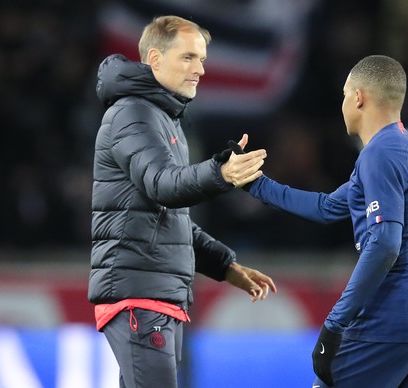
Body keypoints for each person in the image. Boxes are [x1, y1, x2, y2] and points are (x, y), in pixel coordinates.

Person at [245, 55, 408, 387]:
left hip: (393, 316)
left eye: (345, 95)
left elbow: (386, 243)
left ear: (358, 97)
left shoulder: (379, 153)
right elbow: (327, 207)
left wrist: (334, 323)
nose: (343, 103)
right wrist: (254, 183)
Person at [88, 15, 277, 388]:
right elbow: (163, 185)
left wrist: (225, 266)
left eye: (202, 59)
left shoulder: (163, 117)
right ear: (155, 59)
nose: (201, 70)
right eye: (189, 58)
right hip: (139, 294)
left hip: (157, 293)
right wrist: (219, 174)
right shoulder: (133, 112)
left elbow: (167, 217)